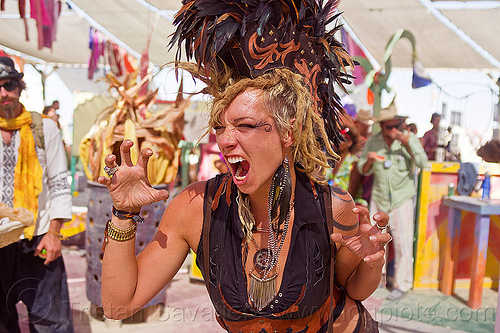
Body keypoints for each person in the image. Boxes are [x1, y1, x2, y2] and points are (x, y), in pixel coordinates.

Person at [99, 1, 392, 332]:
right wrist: (122, 216)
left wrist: (372, 262)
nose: (226, 140)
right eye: (221, 128)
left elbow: (353, 290)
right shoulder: (195, 209)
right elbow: (117, 305)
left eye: (246, 126)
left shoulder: (333, 207)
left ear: (288, 134)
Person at [0, 56, 74, 332]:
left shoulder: (44, 128)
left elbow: (58, 182)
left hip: (38, 239)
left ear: (19, 87)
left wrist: (54, 232)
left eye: (9, 85)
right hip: (0, 241)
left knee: (51, 323)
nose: (3, 93)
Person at [357, 107, 428, 302]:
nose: (395, 129)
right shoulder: (374, 141)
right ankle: (376, 280)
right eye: (391, 127)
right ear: (383, 126)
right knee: (376, 242)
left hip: (401, 197)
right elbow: (362, 169)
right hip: (379, 197)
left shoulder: (408, 139)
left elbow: (424, 163)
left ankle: (402, 284)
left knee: (403, 242)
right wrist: (370, 162)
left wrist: (408, 144)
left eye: (398, 125)